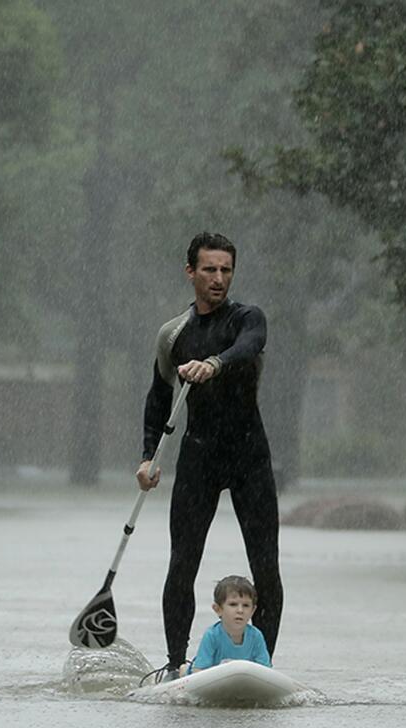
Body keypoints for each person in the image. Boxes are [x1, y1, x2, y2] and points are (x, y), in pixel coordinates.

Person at [138, 232, 282, 683]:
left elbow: (249, 346)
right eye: (209, 270)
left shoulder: (246, 319)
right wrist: (148, 458)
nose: (218, 279)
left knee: (266, 566)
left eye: (226, 270)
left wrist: (214, 363)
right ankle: (176, 664)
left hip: (249, 458)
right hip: (199, 458)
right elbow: (158, 399)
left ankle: (261, 666)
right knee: (182, 562)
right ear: (190, 273)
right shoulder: (174, 335)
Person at [186, 575, 272, 673]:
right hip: (212, 679)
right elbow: (198, 671)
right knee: (188, 670)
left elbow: (266, 670)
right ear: (218, 609)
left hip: (242, 681)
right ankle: (183, 669)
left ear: (253, 611)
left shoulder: (256, 636)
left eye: (246, 605)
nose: (240, 610)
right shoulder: (212, 636)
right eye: (233, 604)